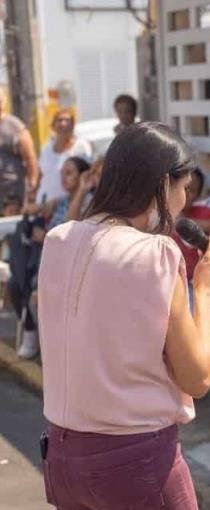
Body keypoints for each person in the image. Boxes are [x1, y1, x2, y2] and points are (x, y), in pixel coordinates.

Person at [38, 122, 210, 510]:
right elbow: (197, 377)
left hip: (64, 454)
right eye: (184, 188)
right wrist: (205, 289)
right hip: (138, 461)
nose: (184, 203)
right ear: (164, 183)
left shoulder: (59, 239)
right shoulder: (157, 252)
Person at [11, 156, 93, 359]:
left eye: (69, 173)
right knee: (15, 283)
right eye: (62, 173)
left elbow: (67, 232)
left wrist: (46, 235)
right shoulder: (62, 201)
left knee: (32, 289)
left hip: (70, 266)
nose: (63, 178)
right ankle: (31, 332)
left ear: (83, 176)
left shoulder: (88, 201)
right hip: (48, 261)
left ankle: (52, 348)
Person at [171, 168, 210, 281]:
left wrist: (192, 227)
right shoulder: (157, 214)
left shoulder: (203, 212)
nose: (185, 194)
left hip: (191, 282)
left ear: (198, 196)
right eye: (183, 188)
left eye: (191, 190)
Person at [36, 109, 93, 204]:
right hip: (43, 204)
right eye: (59, 120)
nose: (63, 124)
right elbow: (40, 175)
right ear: (53, 125)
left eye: (67, 120)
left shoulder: (81, 147)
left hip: (68, 206)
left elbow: (87, 174)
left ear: (73, 125)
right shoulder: (46, 148)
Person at [0, 93, 39, 206]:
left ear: (4, 102)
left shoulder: (14, 126)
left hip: (12, 190)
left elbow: (30, 157)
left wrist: (33, 183)